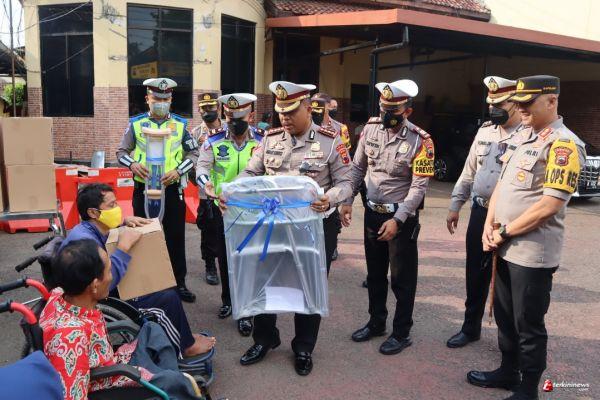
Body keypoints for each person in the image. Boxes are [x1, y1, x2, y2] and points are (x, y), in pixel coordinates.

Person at [467, 75, 586, 400]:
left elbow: (549, 205)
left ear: (552, 101)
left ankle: (528, 388)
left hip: (532, 254)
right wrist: (488, 225)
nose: (521, 109)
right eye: (518, 103)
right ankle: (508, 371)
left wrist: (503, 231)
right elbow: (501, 185)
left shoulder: (563, 145)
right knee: (506, 317)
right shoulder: (524, 137)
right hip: (504, 246)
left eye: (527, 103)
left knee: (528, 324)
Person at [222, 80, 352, 376]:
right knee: (265, 281)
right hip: (273, 227)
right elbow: (251, 171)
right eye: (281, 112)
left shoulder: (330, 141)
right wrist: (231, 190)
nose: (285, 117)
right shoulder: (270, 139)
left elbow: (347, 182)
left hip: (313, 229)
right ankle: (264, 339)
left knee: (308, 284)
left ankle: (304, 347)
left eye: (291, 111)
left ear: (307, 108)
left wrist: (329, 198)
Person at [60, 183, 215, 357]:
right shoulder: (85, 243)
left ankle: (183, 336)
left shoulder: (90, 229)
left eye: (116, 203)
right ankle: (185, 347)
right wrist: (123, 248)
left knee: (162, 282)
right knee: (168, 298)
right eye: (111, 205)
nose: (117, 209)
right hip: (100, 298)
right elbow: (105, 283)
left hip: (99, 290)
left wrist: (123, 222)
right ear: (93, 213)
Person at [340, 79, 435, 356]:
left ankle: (401, 332)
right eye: (383, 109)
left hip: (400, 219)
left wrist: (399, 219)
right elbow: (357, 168)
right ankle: (376, 322)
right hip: (373, 214)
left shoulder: (422, 141)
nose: (386, 115)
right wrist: (347, 200)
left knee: (402, 279)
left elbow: (418, 187)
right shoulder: (370, 129)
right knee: (375, 274)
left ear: (408, 111)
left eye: (393, 111)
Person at [41, 239, 203, 400]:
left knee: (152, 329)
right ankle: (173, 385)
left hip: (113, 362)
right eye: (109, 271)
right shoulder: (70, 338)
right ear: (94, 285)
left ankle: (172, 385)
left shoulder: (61, 294)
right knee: (174, 381)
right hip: (110, 384)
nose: (111, 277)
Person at [445, 76, 525, 349]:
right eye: (491, 104)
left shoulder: (527, 135)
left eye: (499, 105)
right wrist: (455, 205)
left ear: (515, 104)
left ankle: (509, 340)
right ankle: (470, 328)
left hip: (510, 218)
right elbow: (469, 172)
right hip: (480, 212)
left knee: (507, 280)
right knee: (475, 273)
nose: (493, 110)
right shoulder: (485, 131)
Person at [116, 78, 199, 303]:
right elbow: (121, 152)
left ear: (171, 100)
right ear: (147, 99)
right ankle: (145, 284)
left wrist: (179, 171)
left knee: (175, 238)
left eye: (165, 99)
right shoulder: (136, 124)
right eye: (156, 99)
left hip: (171, 189)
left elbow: (194, 153)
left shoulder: (181, 125)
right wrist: (133, 164)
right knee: (143, 237)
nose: (161, 103)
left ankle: (178, 283)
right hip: (143, 189)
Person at [195, 93, 264, 336]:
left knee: (250, 260)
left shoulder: (263, 140)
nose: (234, 123)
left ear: (250, 116)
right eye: (230, 118)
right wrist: (206, 184)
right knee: (225, 258)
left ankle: (246, 310)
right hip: (222, 208)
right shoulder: (213, 140)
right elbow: (202, 167)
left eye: (239, 118)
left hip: (254, 211)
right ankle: (228, 300)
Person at [191, 92, 226, 286]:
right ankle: (210, 265)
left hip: (227, 190)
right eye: (203, 108)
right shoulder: (195, 133)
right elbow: (190, 160)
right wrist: (199, 182)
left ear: (218, 108)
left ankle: (228, 265)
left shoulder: (229, 129)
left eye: (211, 107)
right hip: (206, 193)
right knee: (208, 231)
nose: (207, 111)